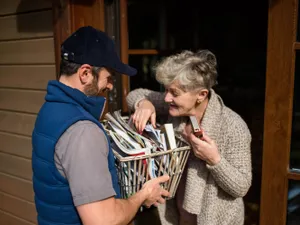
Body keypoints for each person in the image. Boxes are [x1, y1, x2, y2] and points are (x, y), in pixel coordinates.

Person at [32, 26, 170, 225]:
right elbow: (104, 221)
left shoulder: (50, 109)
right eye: (109, 77)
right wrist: (142, 195)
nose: (111, 85)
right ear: (85, 73)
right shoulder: (83, 130)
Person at [126, 50, 252, 225]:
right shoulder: (176, 108)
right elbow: (134, 94)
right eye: (166, 90)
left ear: (201, 95)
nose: (167, 97)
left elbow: (241, 187)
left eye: (175, 93)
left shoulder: (233, 127)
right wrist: (144, 104)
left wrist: (214, 160)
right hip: (175, 218)